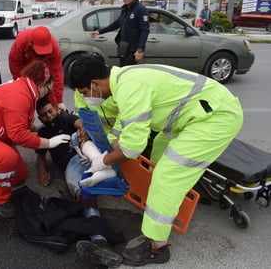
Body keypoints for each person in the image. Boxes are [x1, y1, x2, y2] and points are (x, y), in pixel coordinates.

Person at [69, 53, 243, 266]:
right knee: (158, 156)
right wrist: (111, 148)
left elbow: (132, 147)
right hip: (190, 117)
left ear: (95, 83)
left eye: (85, 92)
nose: (86, 97)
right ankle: (164, 208)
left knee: (167, 174)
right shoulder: (124, 81)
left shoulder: (130, 87)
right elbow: (128, 135)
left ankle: (157, 247)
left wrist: (102, 162)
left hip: (215, 118)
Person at [0, 61, 71, 219]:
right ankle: (1, 200)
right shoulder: (20, 96)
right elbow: (18, 135)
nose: (47, 94)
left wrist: (36, 129)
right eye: (48, 90)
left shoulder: (23, 88)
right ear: (41, 84)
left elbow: (17, 121)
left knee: (18, 177)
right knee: (7, 159)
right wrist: (49, 142)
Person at [35, 97, 123, 268]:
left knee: (80, 143)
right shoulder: (43, 134)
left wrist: (83, 134)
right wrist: (42, 171)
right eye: (44, 115)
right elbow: (40, 155)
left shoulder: (65, 118)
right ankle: (100, 243)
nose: (48, 116)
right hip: (71, 166)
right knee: (83, 193)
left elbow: (80, 124)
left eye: (50, 111)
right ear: (40, 118)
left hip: (86, 157)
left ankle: (101, 241)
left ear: (56, 109)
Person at [9, 26, 67, 113]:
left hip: (43, 69)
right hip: (25, 70)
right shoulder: (21, 43)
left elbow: (57, 74)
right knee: (26, 102)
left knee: (52, 105)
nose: (43, 54)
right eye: (40, 51)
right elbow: (16, 70)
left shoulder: (54, 48)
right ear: (31, 44)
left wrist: (59, 101)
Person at [90, 0, 149, 66]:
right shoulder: (125, 9)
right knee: (122, 69)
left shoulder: (141, 10)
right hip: (123, 47)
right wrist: (99, 32)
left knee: (128, 72)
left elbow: (145, 30)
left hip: (132, 50)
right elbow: (117, 23)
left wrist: (140, 50)